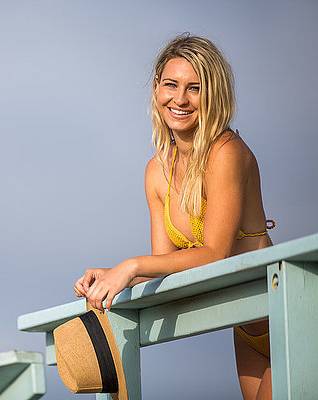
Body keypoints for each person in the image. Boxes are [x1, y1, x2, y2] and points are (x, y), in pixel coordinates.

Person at [73, 34, 274, 400]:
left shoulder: (226, 152)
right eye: (171, 85)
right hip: (248, 326)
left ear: (213, 96)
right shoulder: (156, 172)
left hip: (287, 314)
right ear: (157, 88)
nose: (180, 99)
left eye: (194, 88)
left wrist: (132, 265)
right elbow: (169, 264)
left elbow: (216, 253)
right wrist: (113, 275)